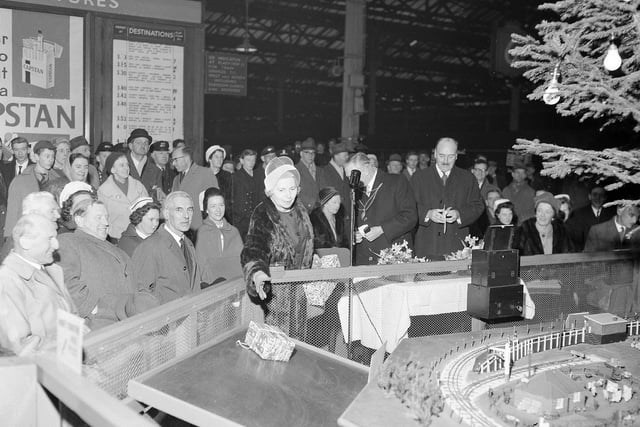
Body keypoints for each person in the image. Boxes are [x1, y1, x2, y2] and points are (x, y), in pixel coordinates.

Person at [241, 156, 314, 337]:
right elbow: (253, 250)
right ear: (270, 191)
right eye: (281, 190)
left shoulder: (301, 211)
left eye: (292, 189)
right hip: (274, 297)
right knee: (275, 345)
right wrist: (257, 273)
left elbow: (306, 243)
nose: (288, 195)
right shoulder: (262, 214)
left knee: (300, 346)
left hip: (299, 293)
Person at [57, 199, 141, 329]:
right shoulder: (68, 242)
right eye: (99, 218)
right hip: (97, 328)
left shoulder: (118, 250)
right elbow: (65, 282)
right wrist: (96, 309)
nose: (106, 223)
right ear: (79, 220)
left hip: (130, 327)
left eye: (106, 217)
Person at [0, 214, 76, 355]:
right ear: (25, 242)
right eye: (49, 239)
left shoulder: (52, 270)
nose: (56, 245)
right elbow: (19, 347)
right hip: (46, 369)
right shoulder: (8, 281)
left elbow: (71, 317)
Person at [411, 137, 484, 259]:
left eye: (450, 156)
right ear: (434, 154)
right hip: (426, 246)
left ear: (456, 156)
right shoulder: (418, 177)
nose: (445, 161)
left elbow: (477, 205)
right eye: (441, 155)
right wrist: (427, 213)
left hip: (457, 248)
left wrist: (459, 214)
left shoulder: (468, 178)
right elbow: (409, 207)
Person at [346, 152, 417, 265]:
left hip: (393, 257)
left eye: (352, 175)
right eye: (348, 177)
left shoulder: (396, 182)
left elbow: (410, 216)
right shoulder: (356, 190)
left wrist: (382, 229)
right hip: (364, 260)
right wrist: (354, 235)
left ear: (366, 168)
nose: (351, 181)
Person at [132, 191, 201, 303]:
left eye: (189, 209)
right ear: (167, 214)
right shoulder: (150, 247)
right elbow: (140, 296)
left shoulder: (188, 244)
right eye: (179, 209)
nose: (186, 216)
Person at [5, 140, 67, 239]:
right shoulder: (20, 181)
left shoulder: (59, 180)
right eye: (47, 156)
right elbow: (12, 211)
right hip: (27, 233)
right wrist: (9, 237)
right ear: (37, 157)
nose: (50, 159)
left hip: (51, 232)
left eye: (52, 156)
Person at [195, 187, 243, 285]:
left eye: (221, 205)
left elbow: (242, 260)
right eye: (213, 206)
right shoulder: (202, 232)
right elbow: (201, 264)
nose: (218, 210)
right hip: (213, 286)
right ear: (206, 209)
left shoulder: (233, 231)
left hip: (236, 283)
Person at [98, 152, 148, 241]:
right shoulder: (103, 191)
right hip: (116, 238)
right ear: (112, 169)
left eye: (127, 165)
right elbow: (101, 217)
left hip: (140, 236)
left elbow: (148, 211)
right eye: (121, 165)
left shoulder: (138, 186)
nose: (126, 168)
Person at [171, 144, 218, 232]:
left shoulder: (205, 173)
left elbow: (215, 204)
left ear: (186, 157)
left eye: (175, 159)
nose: (173, 163)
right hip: (180, 229)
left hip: (200, 230)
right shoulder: (176, 179)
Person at [566, 186, 615, 251]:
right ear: (590, 196)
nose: (598, 198)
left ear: (605, 198)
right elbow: (575, 239)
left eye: (601, 195)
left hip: (607, 254)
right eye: (595, 195)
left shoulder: (612, 214)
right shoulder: (578, 214)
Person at [317, 142, 352, 229]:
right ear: (336, 156)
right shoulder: (324, 171)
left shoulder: (347, 170)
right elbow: (325, 196)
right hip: (335, 217)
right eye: (345, 156)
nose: (347, 158)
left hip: (348, 217)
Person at [126, 128, 164, 200]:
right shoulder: (119, 165)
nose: (143, 146)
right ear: (130, 146)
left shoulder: (156, 171)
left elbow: (159, 197)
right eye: (139, 142)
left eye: (146, 143)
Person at [232, 148, 261, 239]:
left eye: (253, 160)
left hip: (255, 219)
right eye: (248, 160)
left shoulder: (258, 176)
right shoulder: (235, 177)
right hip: (240, 221)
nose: (251, 163)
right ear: (241, 160)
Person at [205, 145, 233, 222]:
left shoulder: (228, 176)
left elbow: (230, 199)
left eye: (221, 157)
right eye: (216, 157)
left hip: (224, 217)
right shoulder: (202, 175)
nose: (220, 160)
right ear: (209, 159)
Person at [295, 138, 320, 211]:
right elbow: (295, 193)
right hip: (304, 212)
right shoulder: (295, 170)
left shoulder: (320, 170)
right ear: (301, 154)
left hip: (320, 212)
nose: (310, 155)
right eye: (307, 152)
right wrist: (312, 203)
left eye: (313, 152)